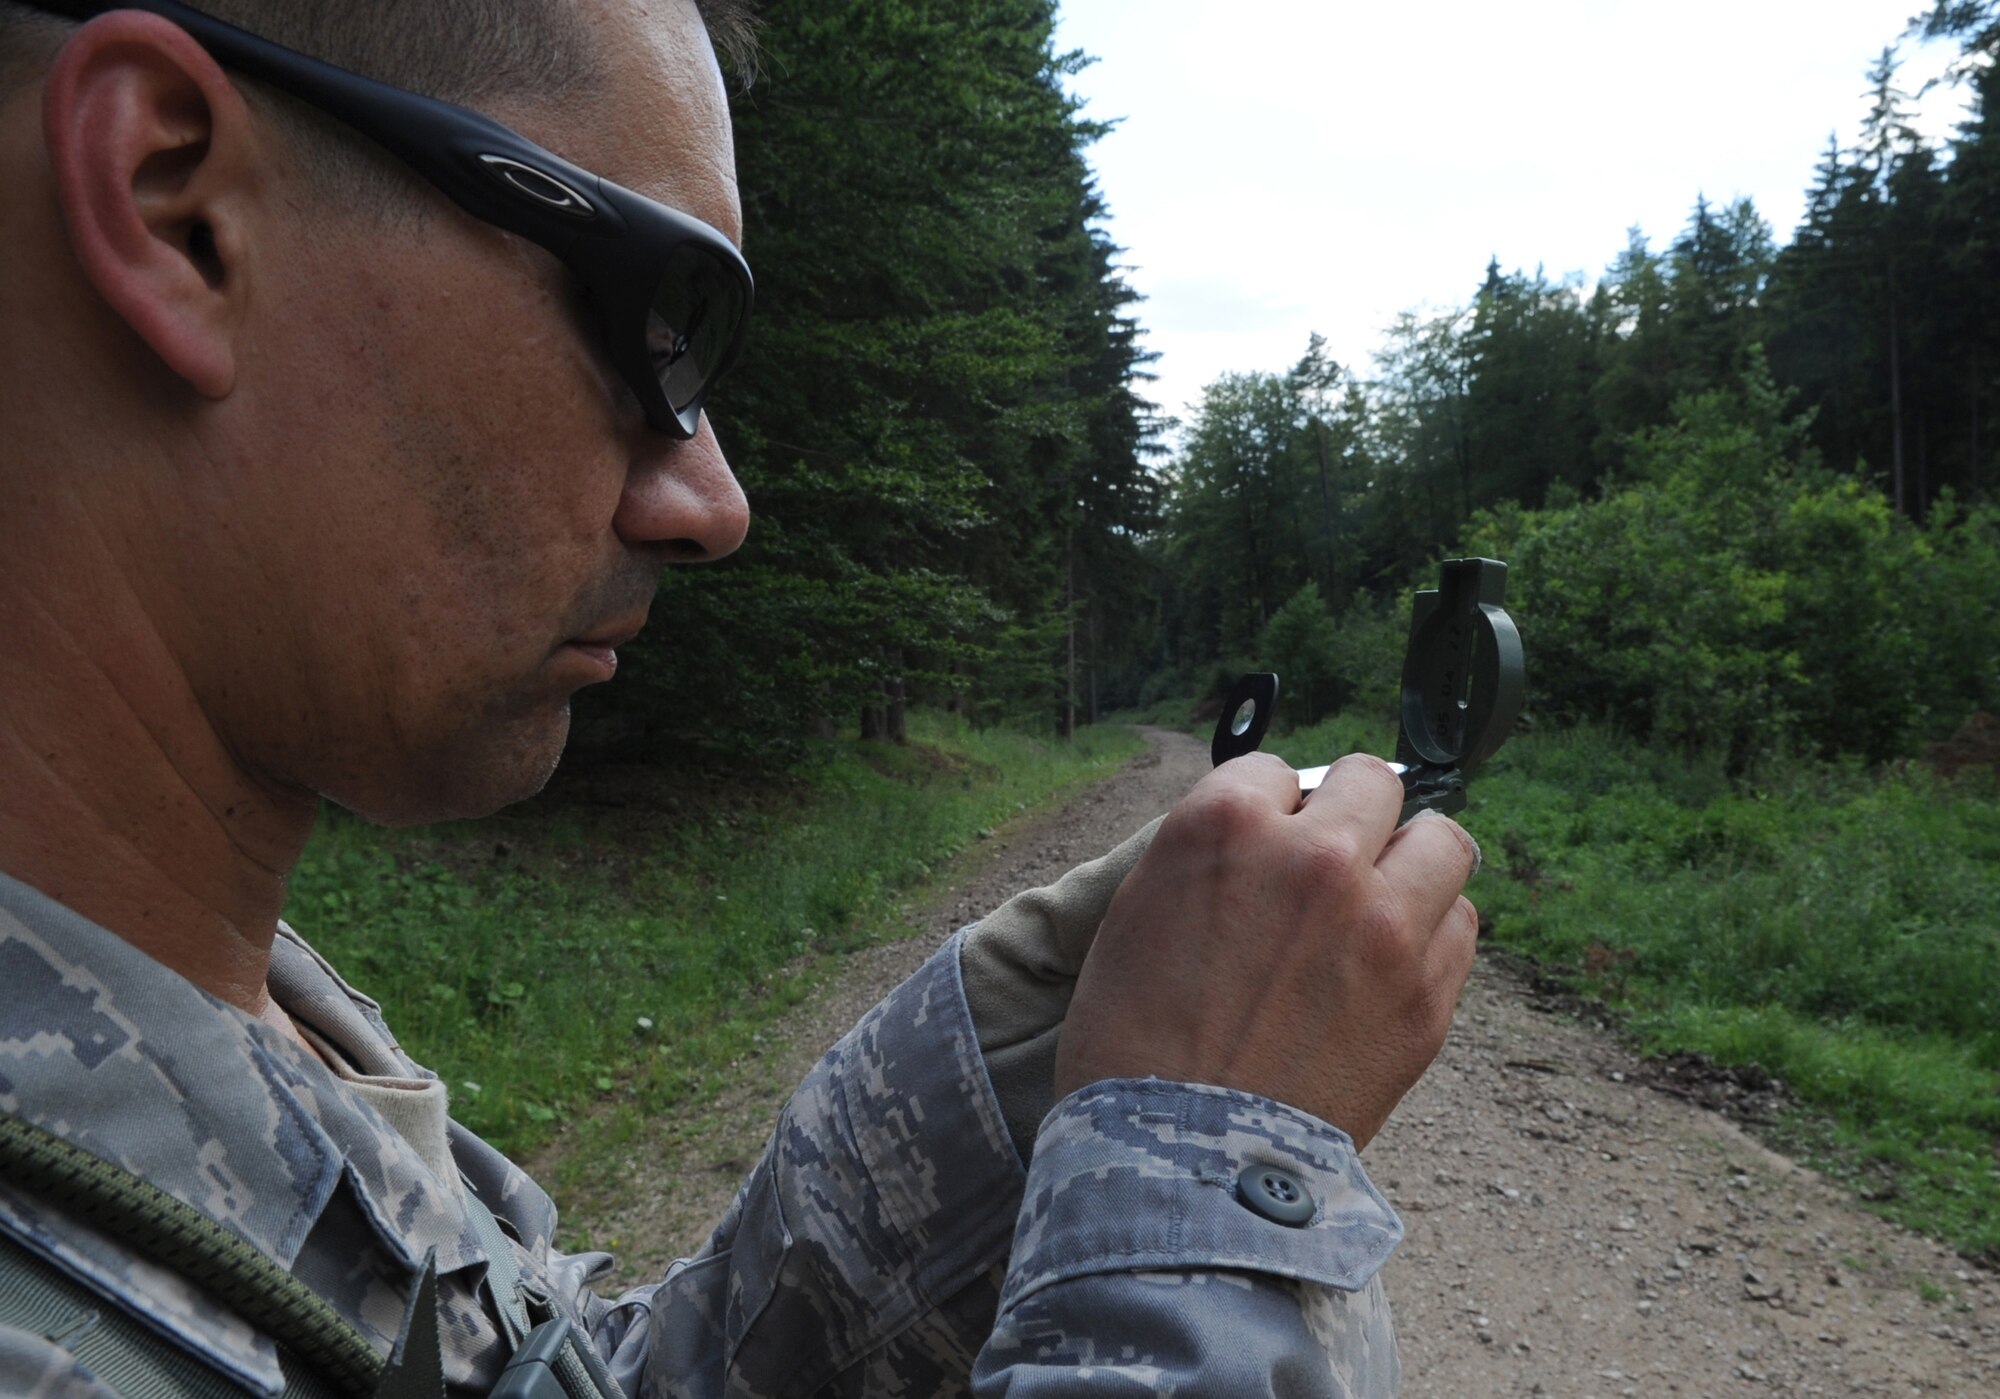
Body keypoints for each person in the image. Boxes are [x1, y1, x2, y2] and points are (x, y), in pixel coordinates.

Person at [0, 0, 1482, 1394]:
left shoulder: (228, 1010)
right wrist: (1208, 1176)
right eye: (659, 315)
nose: (713, 500)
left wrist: (1005, 1082)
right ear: (174, 204)